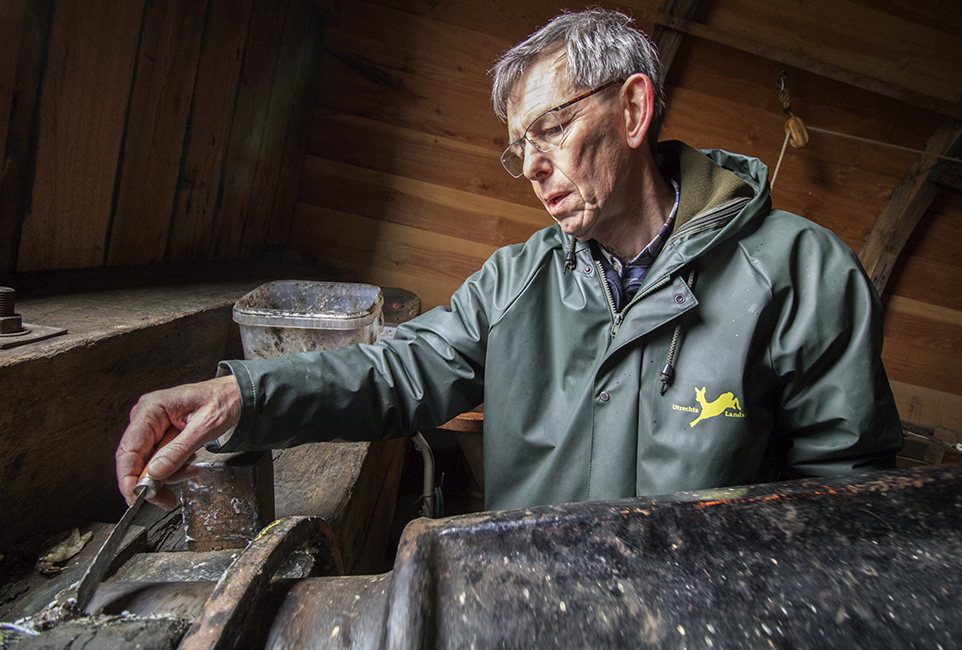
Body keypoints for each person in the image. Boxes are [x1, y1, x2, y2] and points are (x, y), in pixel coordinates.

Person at [116, 9, 902, 513]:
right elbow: (394, 371)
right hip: (534, 602)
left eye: (550, 128)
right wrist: (238, 398)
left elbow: (850, 503)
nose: (529, 165)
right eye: (517, 145)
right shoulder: (514, 282)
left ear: (632, 109)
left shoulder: (801, 273)